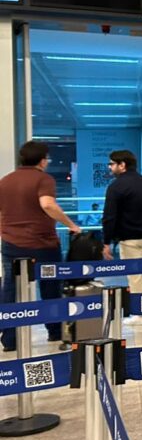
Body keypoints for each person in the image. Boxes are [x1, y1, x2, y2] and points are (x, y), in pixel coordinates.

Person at [0, 141, 81, 351]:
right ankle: (54, 332)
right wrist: (71, 225)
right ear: (43, 160)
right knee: (50, 288)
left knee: (10, 289)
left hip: (11, 244)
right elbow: (47, 204)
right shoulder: (44, 179)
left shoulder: (5, 181)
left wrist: (6, 231)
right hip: (42, 244)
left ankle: (9, 339)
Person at [101, 150, 142, 325]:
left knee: (136, 276)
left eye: (112, 164)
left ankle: (141, 315)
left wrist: (106, 242)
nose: (110, 167)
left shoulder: (116, 187)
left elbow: (109, 216)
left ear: (122, 165)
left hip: (130, 238)